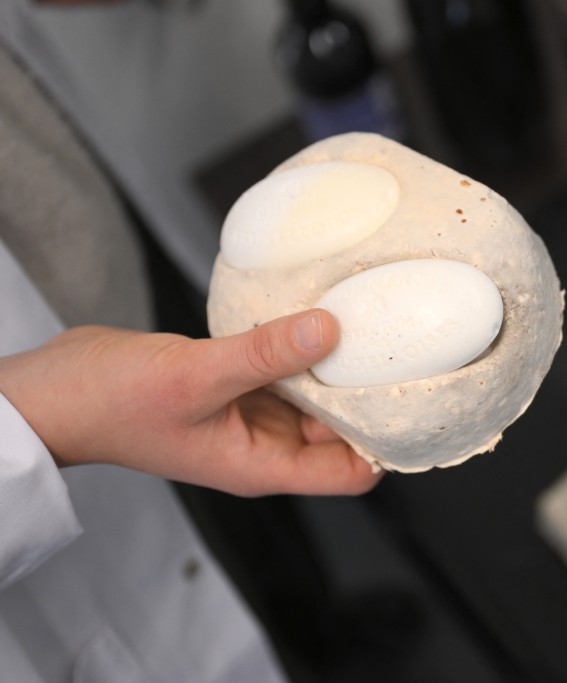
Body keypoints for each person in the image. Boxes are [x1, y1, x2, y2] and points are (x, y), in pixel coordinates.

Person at [0, 9, 383, 683]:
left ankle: (323, 629)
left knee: (252, 472)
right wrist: (40, 419)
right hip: (58, 461)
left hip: (90, 220)